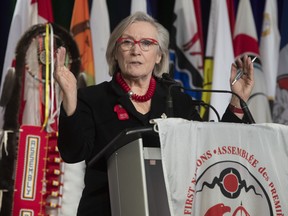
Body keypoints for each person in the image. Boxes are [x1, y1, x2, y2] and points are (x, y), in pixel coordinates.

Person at [54, 11, 254, 215]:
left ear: (159, 55)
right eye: (127, 42)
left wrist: (237, 100)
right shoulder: (93, 98)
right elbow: (72, 153)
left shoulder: (176, 98)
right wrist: (70, 100)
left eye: (146, 43)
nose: (136, 50)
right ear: (115, 52)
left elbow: (209, 150)